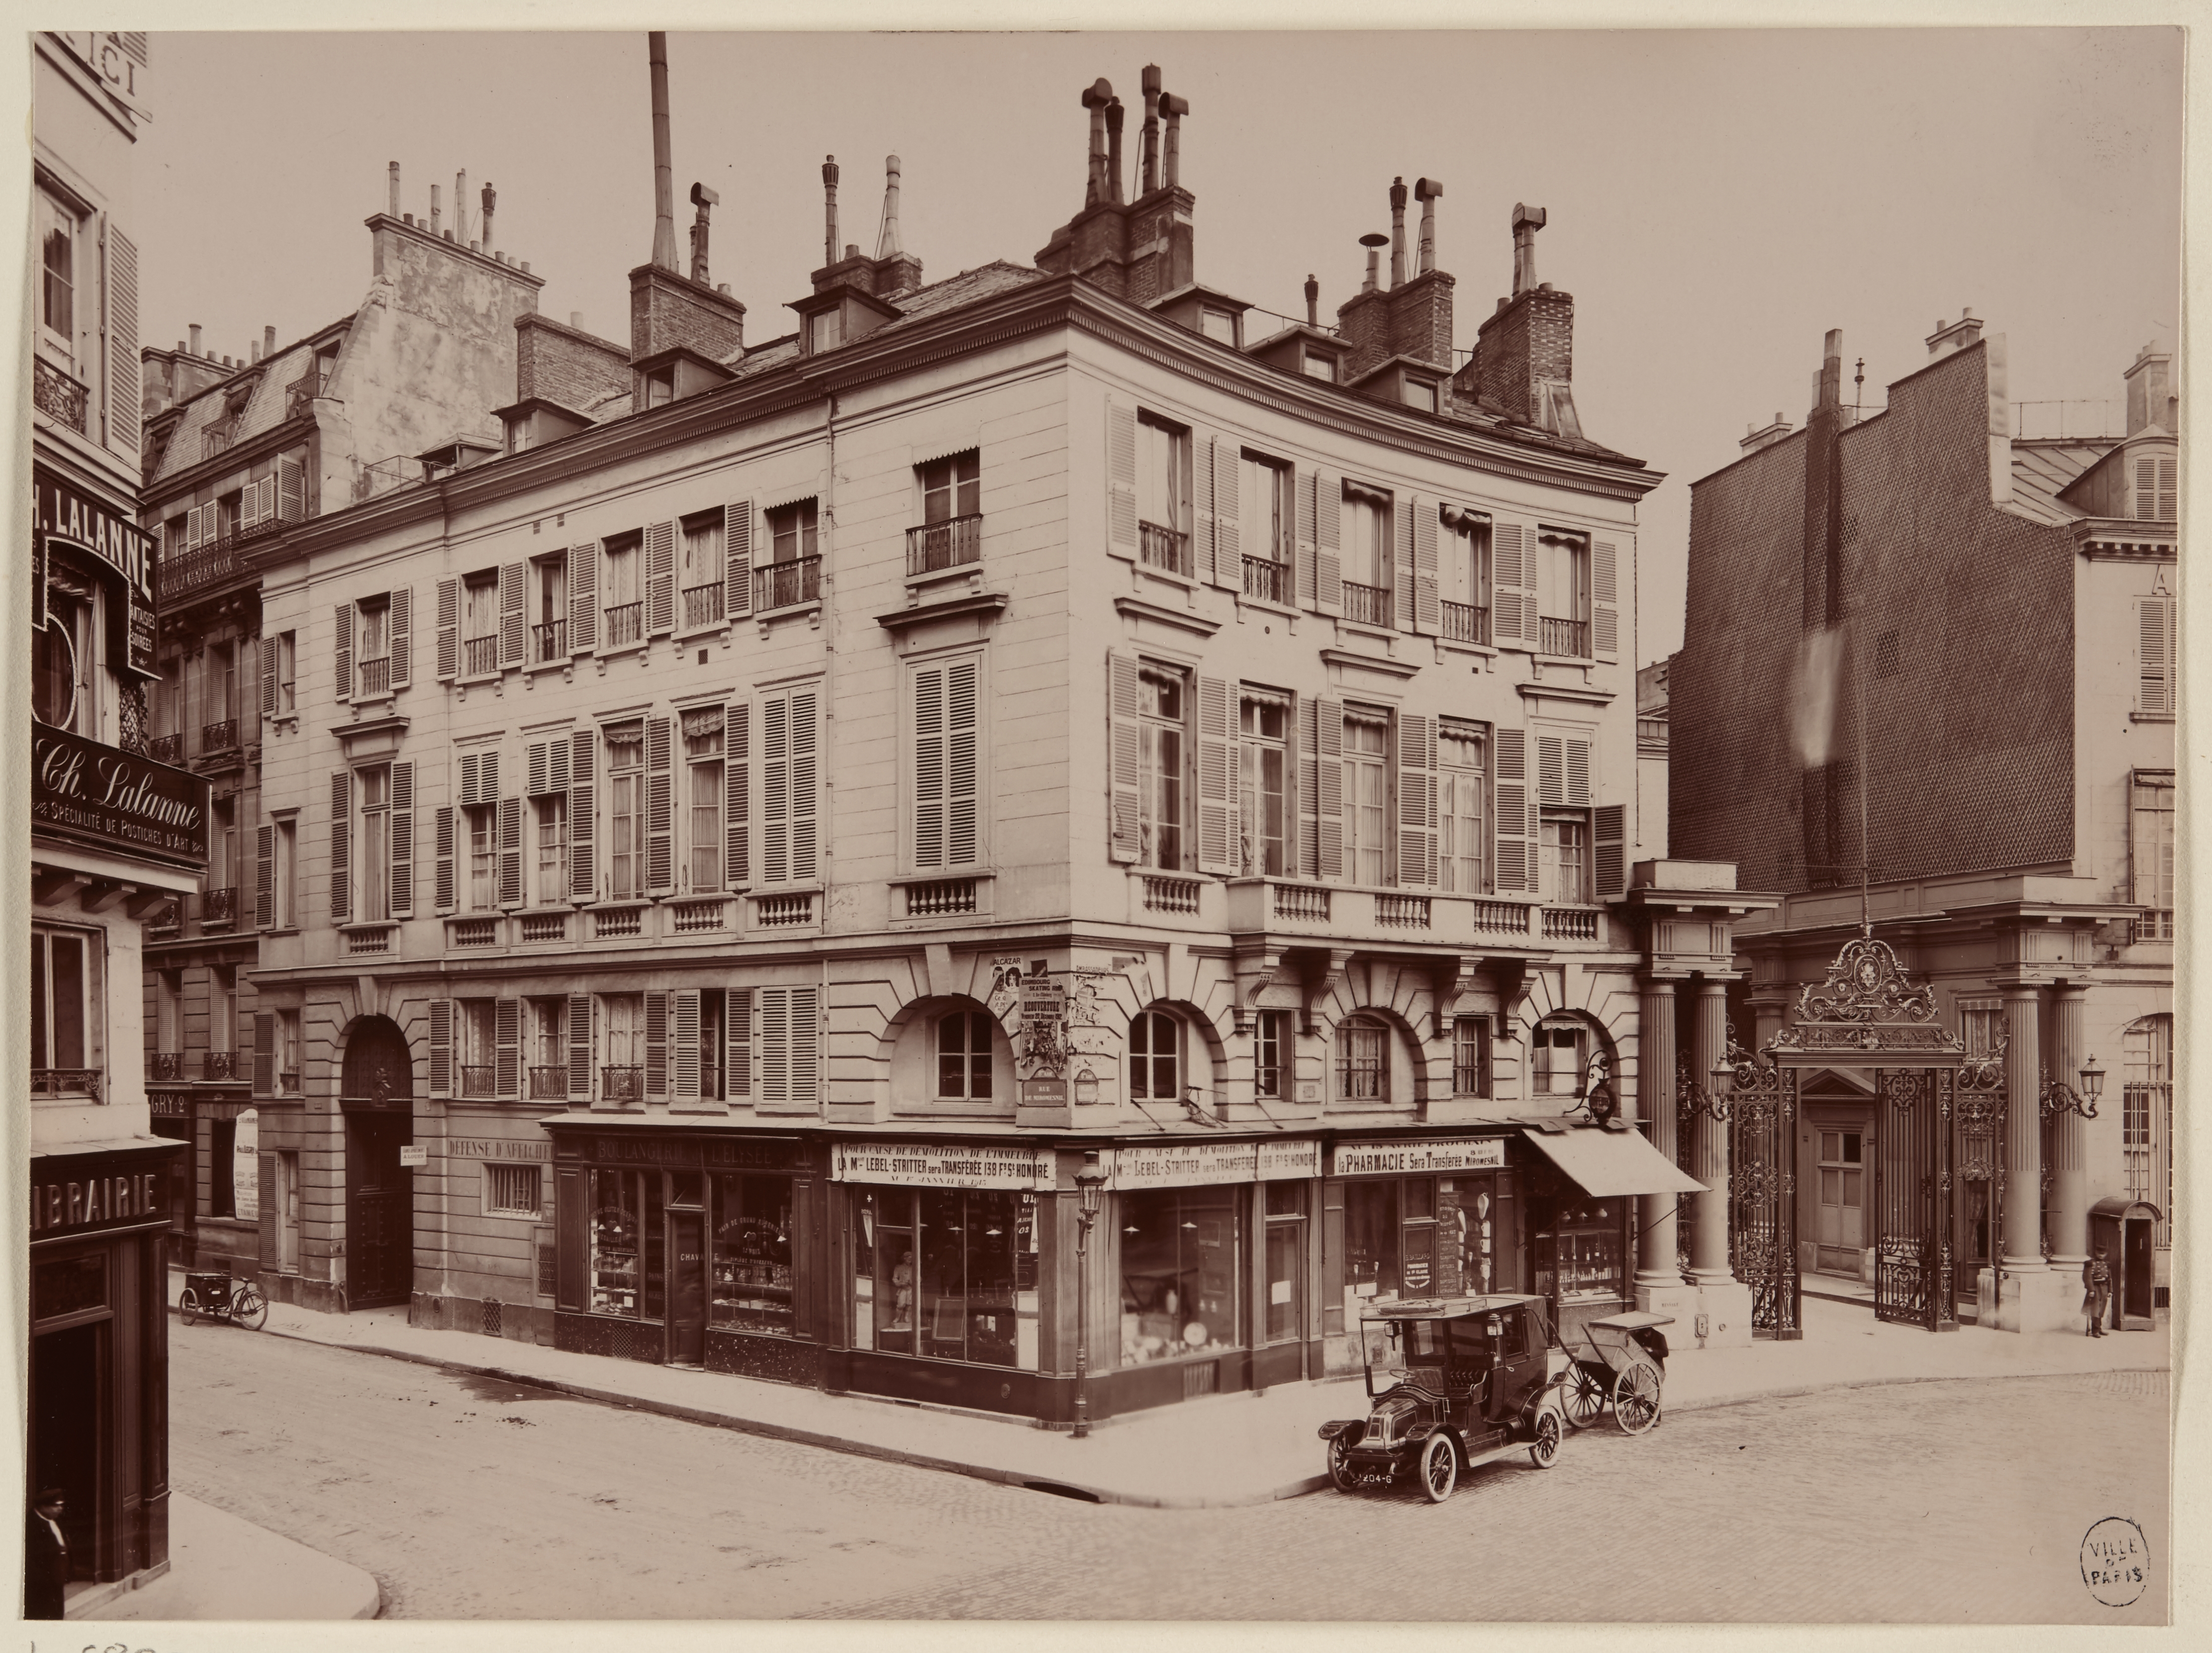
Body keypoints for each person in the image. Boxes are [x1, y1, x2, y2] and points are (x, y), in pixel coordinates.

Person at [24, 1488, 68, 1620]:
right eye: (56, 1506)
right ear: (43, 1507)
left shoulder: (54, 1519)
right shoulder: (32, 1525)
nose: (60, 1509)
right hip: (42, 1581)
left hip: (56, 1576)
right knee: (44, 1612)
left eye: (62, 1505)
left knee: (57, 1611)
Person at [2082, 1245, 2113, 1337]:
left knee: (2101, 1310)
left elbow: (2109, 1279)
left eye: (2103, 1254)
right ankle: (2095, 1330)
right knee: (2095, 1309)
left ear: (2106, 1254)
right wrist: (2091, 1290)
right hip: (2095, 1288)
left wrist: (2110, 1291)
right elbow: (2087, 1278)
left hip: (2104, 1288)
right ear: (2096, 1252)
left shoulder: (2107, 1264)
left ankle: (2099, 1328)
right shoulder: (2091, 1264)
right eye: (2099, 1253)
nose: (2101, 1255)